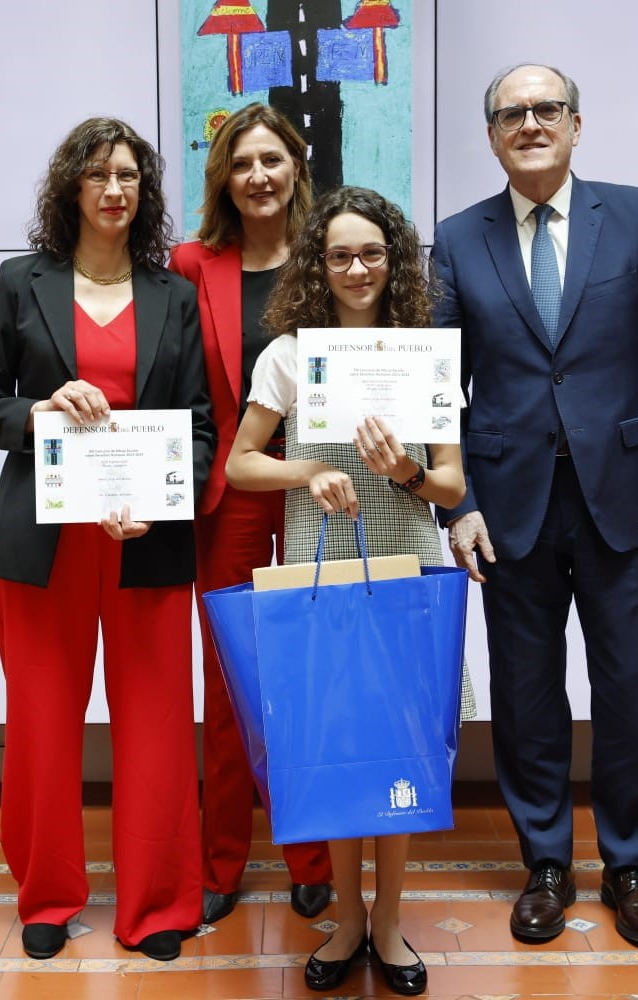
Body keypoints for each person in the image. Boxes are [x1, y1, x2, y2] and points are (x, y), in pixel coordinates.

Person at [430, 63, 638, 951]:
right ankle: (546, 861)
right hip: (508, 506)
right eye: (514, 113)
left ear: (577, 125)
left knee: (628, 684)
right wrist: (458, 502)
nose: (532, 123)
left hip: (620, 499)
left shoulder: (633, 214)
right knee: (526, 688)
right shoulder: (458, 238)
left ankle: (630, 865)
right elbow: (442, 391)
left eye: (548, 109)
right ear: (493, 135)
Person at [0, 117, 215, 964]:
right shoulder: (17, 282)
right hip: (42, 543)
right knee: (39, 725)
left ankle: (158, 906)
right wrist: (36, 412)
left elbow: (203, 428)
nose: (115, 190)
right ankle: (48, 895)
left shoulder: (173, 294)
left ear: (144, 194)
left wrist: (165, 501)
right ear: (70, 185)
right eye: (99, 174)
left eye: (131, 177)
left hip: (143, 537)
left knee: (154, 726)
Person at [227, 186, 466, 996]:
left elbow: (452, 485)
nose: (357, 267)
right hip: (320, 565)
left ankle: (390, 922)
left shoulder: (423, 352)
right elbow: (240, 463)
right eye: (339, 255)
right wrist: (314, 469)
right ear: (317, 266)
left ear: (393, 258)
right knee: (333, 741)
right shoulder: (291, 354)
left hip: (403, 562)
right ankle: (350, 920)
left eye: (371, 252)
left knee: (397, 742)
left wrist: (407, 472)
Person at [167, 102, 333, 927]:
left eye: (272, 160)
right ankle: (221, 860)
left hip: (320, 492)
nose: (259, 176)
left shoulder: (332, 254)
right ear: (223, 179)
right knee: (232, 681)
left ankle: (311, 857)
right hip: (227, 501)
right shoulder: (192, 264)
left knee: (308, 673)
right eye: (242, 164)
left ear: (296, 166)